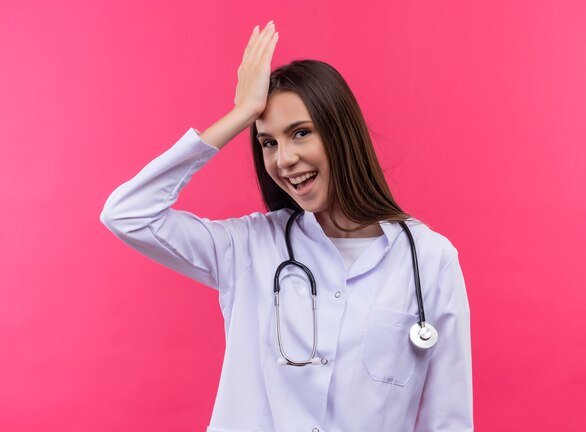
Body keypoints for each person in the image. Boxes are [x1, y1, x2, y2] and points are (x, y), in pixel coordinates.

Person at [100, 20, 473, 432]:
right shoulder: (247, 248)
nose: (284, 159)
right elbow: (128, 214)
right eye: (268, 142)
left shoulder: (429, 259)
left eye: (301, 133)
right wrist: (240, 114)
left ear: (341, 134)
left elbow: (447, 419)